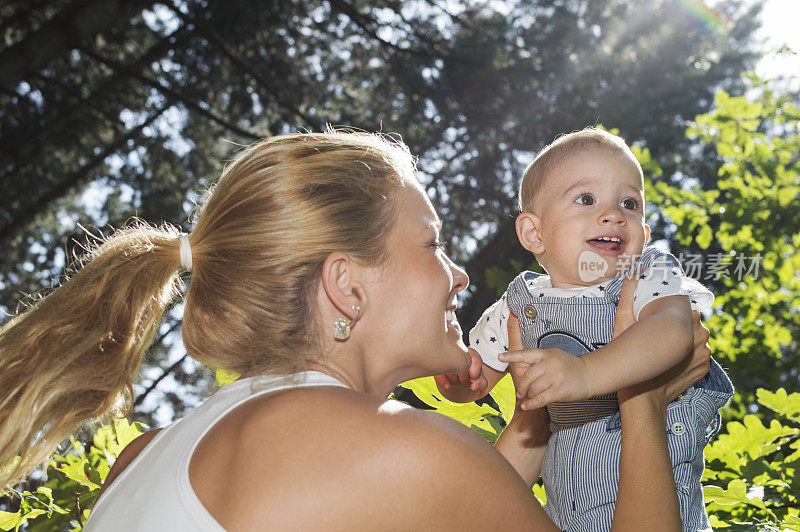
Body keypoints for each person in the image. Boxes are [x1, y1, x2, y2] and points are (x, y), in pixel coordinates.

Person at [0, 131, 711, 530]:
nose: (460, 277)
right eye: (432, 245)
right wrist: (640, 393)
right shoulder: (405, 449)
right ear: (347, 285)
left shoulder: (145, 458)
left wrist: (539, 417)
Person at [436, 128, 733, 531]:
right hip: (568, 511)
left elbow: (674, 332)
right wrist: (459, 380)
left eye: (629, 203)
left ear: (643, 236)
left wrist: (586, 373)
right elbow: (478, 376)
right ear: (534, 233)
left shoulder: (647, 274)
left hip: (663, 505)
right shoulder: (520, 302)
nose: (614, 214)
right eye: (586, 199)